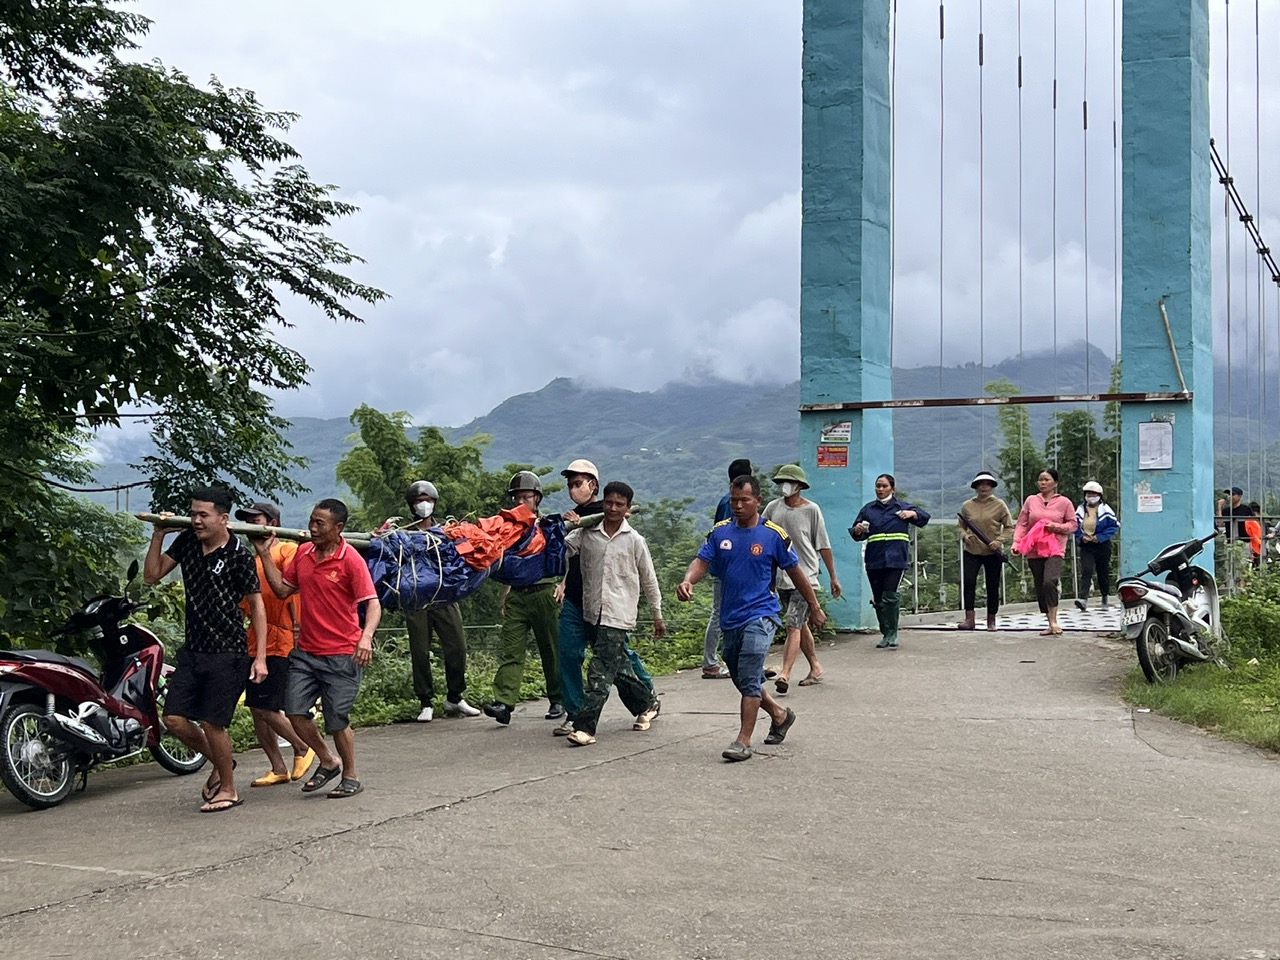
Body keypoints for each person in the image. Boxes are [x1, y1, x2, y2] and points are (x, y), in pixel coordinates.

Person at [677, 475, 826, 762]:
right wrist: (688, 581)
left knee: (748, 670)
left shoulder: (773, 535)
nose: (738, 505)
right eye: (734, 500)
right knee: (742, 676)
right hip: (730, 618)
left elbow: (796, 572)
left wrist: (814, 605)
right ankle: (780, 714)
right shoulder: (720, 532)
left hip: (762, 614)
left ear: (758, 500)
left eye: (744, 500)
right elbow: (701, 561)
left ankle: (743, 740)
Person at [144, 487, 268, 813]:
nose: (196, 520)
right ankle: (223, 761)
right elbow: (151, 576)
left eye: (204, 515)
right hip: (194, 650)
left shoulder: (238, 555)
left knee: (214, 723)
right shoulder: (187, 543)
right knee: (174, 719)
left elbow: (257, 607)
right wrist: (158, 534)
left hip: (228, 652)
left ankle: (228, 788)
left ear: (223, 518)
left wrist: (261, 657)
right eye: (193, 513)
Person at [255, 498, 380, 800]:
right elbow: (284, 589)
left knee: (337, 719)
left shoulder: (350, 559)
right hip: (307, 652)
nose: (312, 527)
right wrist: (263, 553)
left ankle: (350, 775)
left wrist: (365, 638)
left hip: (342, 653)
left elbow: (372, 603)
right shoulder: (303, 554)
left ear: (338, 528)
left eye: (319, 523)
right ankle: (327, 760)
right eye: (311, 521)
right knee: (296, 711)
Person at [553, 459, 657, 737]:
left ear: (593, 485)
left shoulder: (631, 537)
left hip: (617, 611)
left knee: (600, 670)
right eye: (570, 484)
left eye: (579, 483)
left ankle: (584, 727)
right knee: (612, 664)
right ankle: (647, 702)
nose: (612, 509)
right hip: (586, 605)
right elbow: (563, 551)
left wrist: (657, 614)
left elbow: (649, 577)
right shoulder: (585, 526)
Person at [234, 502, 317, 787]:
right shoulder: (250, 560)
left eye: (255, 520)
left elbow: (286, 589)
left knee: (266, 706)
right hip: (255, 640)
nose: (251, 526)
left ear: (271, 522)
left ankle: (302, 746)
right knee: (256, 708)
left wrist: (265, 552)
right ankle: (277, 766)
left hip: (283, 638)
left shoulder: (289, 550)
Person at [483, 472, 563, 726]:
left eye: (526, 497)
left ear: (536, 498)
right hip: (518, 594)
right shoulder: (510, 530)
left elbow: (566, 556)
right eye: (517, 497)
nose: (521, 502)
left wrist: (563, 584)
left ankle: (558, 698)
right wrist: (505, 593)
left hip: (543, 593)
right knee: (511, 650)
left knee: (551, 649)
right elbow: (511, 565)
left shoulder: (548, 525)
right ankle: (504, 703)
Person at [398, 481, 481, 722]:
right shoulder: (404, 533)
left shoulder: (447, 530)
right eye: (418, 501)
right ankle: (425, 701)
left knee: (457, 646)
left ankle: (455, 696)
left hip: (444, 596)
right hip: (416, 599)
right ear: (412, 505)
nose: (423, 505)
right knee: (420, 651)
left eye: (428, 500)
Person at [762, 464, 840, 691]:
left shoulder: (811, 510)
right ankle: (815, 666)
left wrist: (833, 577)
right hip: (781, 577)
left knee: (792, 625)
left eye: (788, 482)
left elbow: (823, 545)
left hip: (805, 577)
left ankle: (785, 674)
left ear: (799, 486)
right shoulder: (773, 508)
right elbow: (761, 532)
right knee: (801, 623)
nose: (784, 486)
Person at [849, 474, 930, 649]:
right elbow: (857, 534)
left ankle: (892, 633)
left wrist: (912, 514)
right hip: (874, 558)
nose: (880, 489)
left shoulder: (902, 506)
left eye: (884, 486)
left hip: (896, 558)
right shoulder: (868, 509)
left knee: (890, 595)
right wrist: (857, 530)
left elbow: (924, 517)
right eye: (878, 486)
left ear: (892, 488)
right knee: (878, 597)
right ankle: (884, 632)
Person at [701, 458, 752, 680]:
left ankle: (737, 660)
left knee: (731, 613)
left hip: (727, 568)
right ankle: (710, 662)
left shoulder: (726, 500)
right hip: (727, 569)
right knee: (720, 614)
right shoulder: (731, 503)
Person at [1012, 469, 1077, 636]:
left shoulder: (1064, 502)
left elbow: (1073, 525)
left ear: (1055, 483)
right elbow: (1022, 523)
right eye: (1040, 480)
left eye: (1046, 480)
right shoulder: (1031, 500)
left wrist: (1056, 527)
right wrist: (1016, 543)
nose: (1042, 483)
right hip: (1034, 548)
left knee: (1050, 581)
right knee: (1040, 585)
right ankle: (1049, 623)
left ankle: (1054, 621)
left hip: (1055, 549)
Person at [957, 471, 1016, 631]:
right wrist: (964, 536)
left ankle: (991, 619)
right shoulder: (967, 505)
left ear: (992, 487)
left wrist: (998, 541)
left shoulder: (999, 505)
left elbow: (1010, 527)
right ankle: (970, 619)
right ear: (975, 487)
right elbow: (960, 525)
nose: (984, 487)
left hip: (993, 552)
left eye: (987, 484)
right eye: (980, 484)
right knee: (969, 582)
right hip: (972, 551)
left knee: (992, 585)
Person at [1073, 481, 1120, 610]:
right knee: (1086, 570)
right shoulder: (1080, 510)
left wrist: (1099, 537)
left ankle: (1105, 597)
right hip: (1086, 545)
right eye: (1088, 493)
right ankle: (1083, 599)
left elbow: (1113, 526)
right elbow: (1075, 526)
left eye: (1094, 493)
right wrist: (1081, 537)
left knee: (1102, 571)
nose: (1091, 496)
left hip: (1102, 545)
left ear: (1099, 495)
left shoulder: (1105, 509)